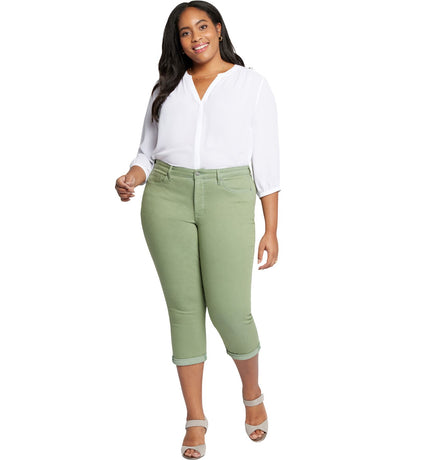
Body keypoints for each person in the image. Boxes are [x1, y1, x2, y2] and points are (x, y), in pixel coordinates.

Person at [115, 1, 280, 458]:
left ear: (219, 29)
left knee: (231, 311)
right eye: (185, 32)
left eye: (202, 27)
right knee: (184, 310)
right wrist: (131, 177)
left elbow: (267, 162)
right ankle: (195, 417)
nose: (195, 38)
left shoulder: (251, 85)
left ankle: (252, 393)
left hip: (229, 195)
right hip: (166, 197)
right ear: (179, 41)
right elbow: (147, 152)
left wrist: (271, 228)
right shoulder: (166, 87)